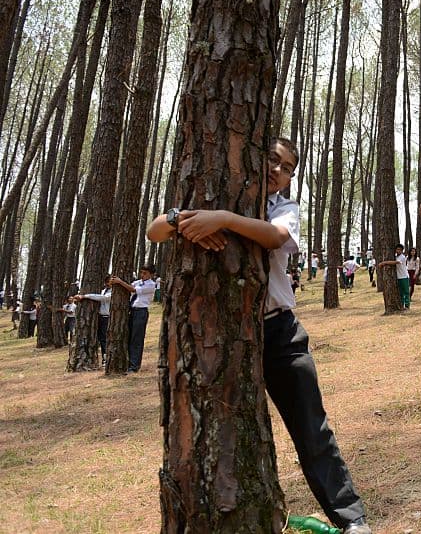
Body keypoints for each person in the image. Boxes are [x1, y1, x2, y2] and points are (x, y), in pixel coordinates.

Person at [146, 136, 371, 534]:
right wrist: (188, 219)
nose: (277, 170)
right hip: (219, 338)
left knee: (311, 428)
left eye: (287, 168)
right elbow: (154, 231)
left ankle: (351, 519)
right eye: (272, 159)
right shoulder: (217, 192)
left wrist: (224, 221)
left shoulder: (284, 209)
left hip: (280, 333)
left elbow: (275, 237)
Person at [109, 265, 157, 372]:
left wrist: (120, 282)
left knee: (137, 339)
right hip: (132, 311)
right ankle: (127, 362)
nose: (142, 275)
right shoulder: (138, 282)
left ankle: (134, 366)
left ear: (151, 274)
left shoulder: (151, 285)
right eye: (141, 273)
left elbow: (133, 289)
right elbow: (129, 286)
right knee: (128, 336)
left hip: (141, 312)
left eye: (145, 273)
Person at [376, 244, 411, 309]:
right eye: (397, 249)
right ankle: (401, 305)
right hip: (398, 277)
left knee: (406, 291)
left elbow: (396, 262)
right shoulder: (395, 256)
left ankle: (407, 305)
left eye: (400, 250)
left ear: (402, 251)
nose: (398, 251)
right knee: (400, 292)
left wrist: (384, 263)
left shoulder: (402, 257)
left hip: (404, 276)